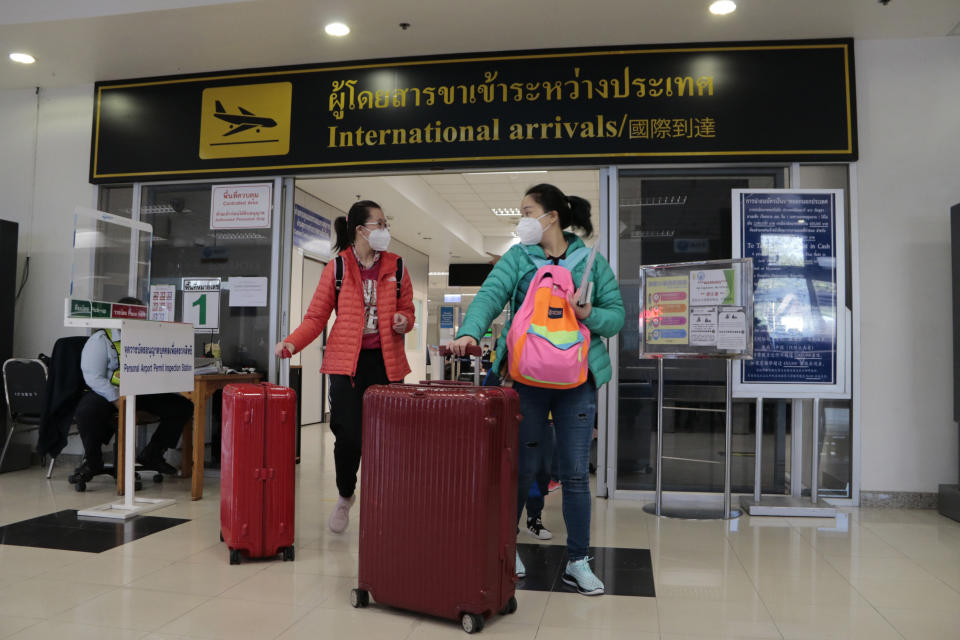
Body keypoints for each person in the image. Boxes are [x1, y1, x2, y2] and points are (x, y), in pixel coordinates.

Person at [450, 183, 624, 596]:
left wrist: (590, 313)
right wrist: (469, 331)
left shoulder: (591, 262)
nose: (522, 220)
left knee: (576, 474)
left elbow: (616, 317)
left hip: (576, 381)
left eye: (527, 211)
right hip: (524, 380)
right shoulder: (517, 257)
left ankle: (578, 561)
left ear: (552, 217)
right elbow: (491, 296)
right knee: (520, 469)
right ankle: (507, 547)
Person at [276, 200, 415, 534]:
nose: (385, 230)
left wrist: (403, 321)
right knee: (348, 436)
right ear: (360, 230)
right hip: (345, 364)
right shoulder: (337, 267)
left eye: (385, 223)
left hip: (386, 364)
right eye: (379, 224)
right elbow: (316, 317)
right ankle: (345, 495)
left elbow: (409, 311)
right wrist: (292, 342)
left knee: (386, 439)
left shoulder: (396, 266)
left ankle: (383, 501)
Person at [69, 297, 194, 485]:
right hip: (107, 392)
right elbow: (94, 377)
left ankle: (153, 453)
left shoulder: (146, 338)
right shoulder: (101, 340)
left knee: (182, 406)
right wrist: (118, 401)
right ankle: (92, 461)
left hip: (139, 390)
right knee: (86, 412)